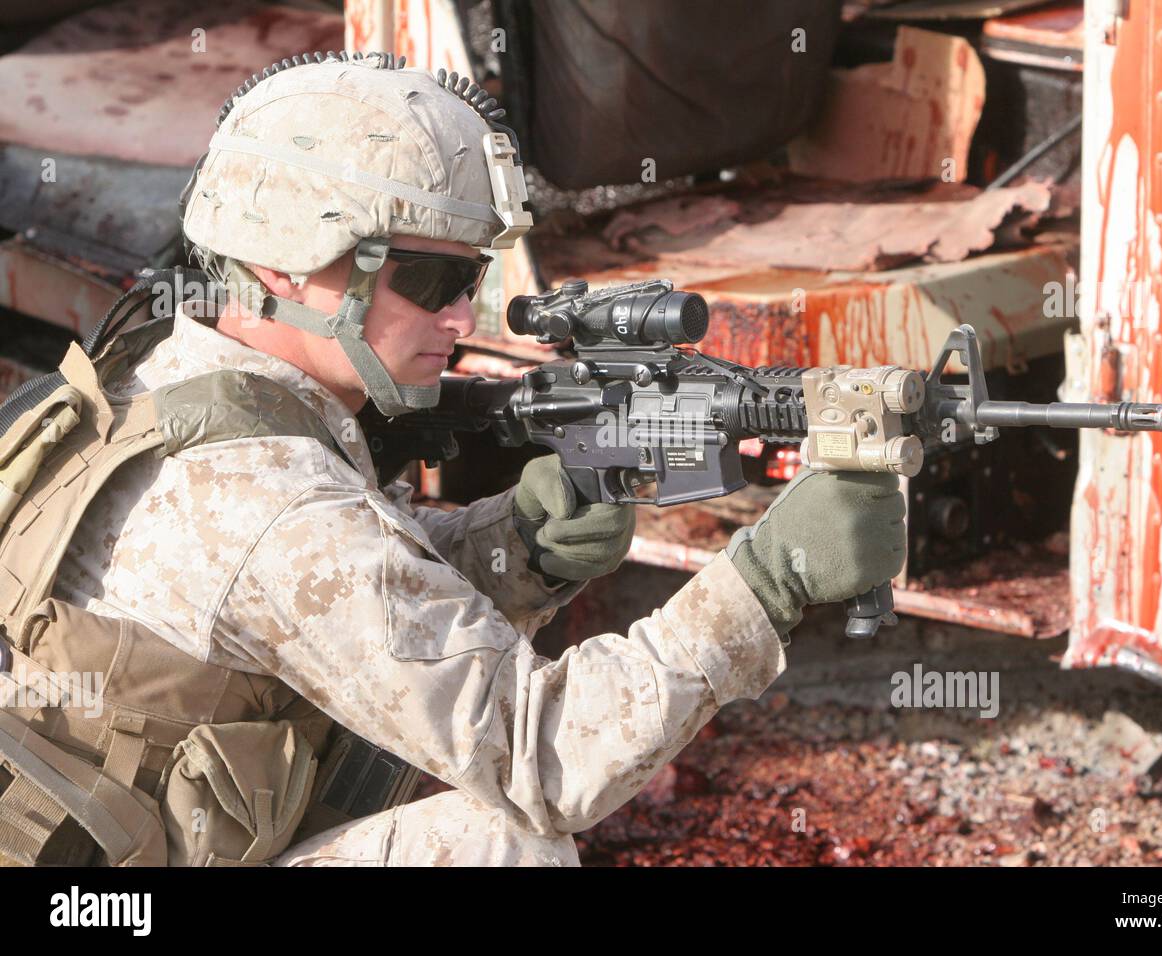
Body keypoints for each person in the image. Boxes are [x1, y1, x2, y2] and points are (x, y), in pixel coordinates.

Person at [0, 52, 905, 866]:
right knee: (504, 850)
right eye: (429, 282)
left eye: (470, 279)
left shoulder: (165, 376)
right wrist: (768, 581)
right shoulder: (270, 505)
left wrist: (513, 548)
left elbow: (312, 616)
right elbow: (545, 758)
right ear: (283, 265)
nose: (465, 319)